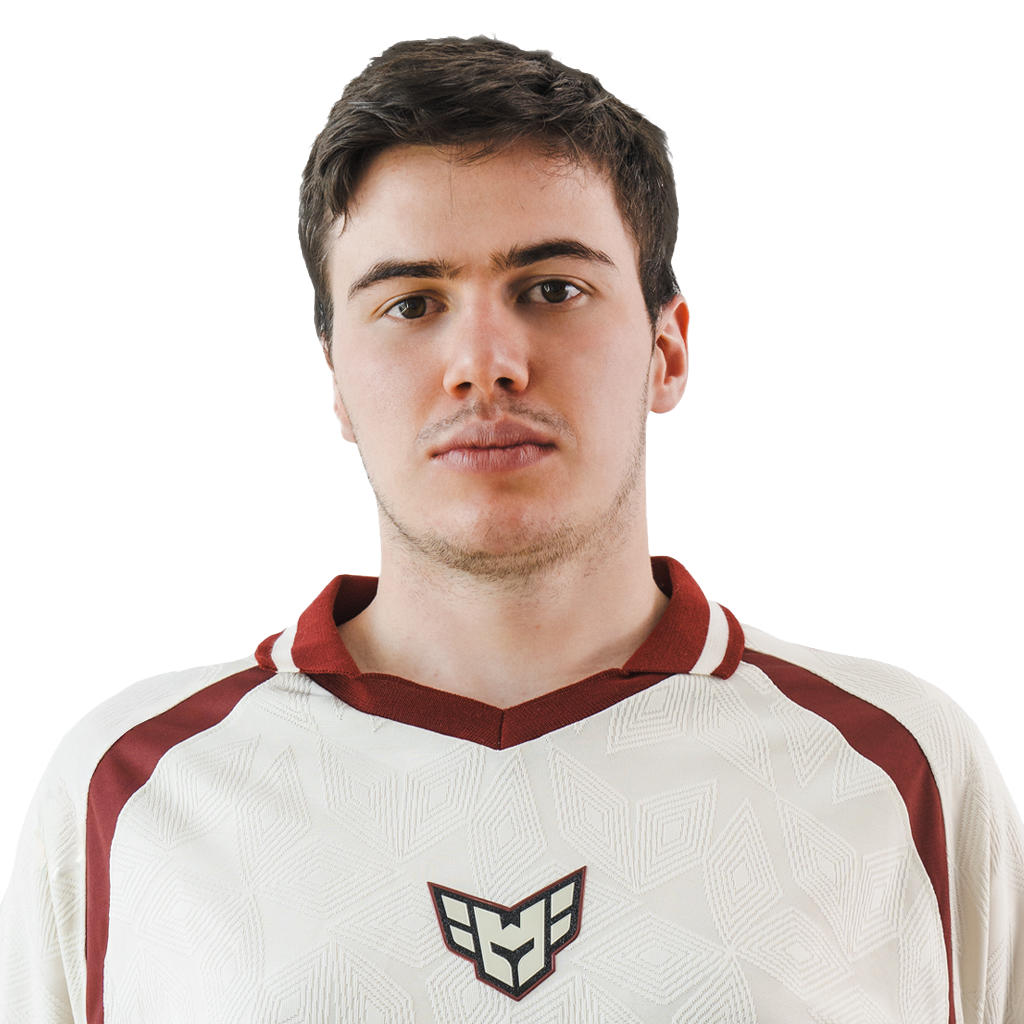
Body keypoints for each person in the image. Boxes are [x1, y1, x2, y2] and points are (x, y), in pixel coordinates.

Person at [1, 34, 1021, 1024]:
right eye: (411, 303)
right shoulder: (133, 789)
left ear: (666, 349)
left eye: (552, 289)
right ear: (336, 379)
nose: (484, 363)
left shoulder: (897, 766)